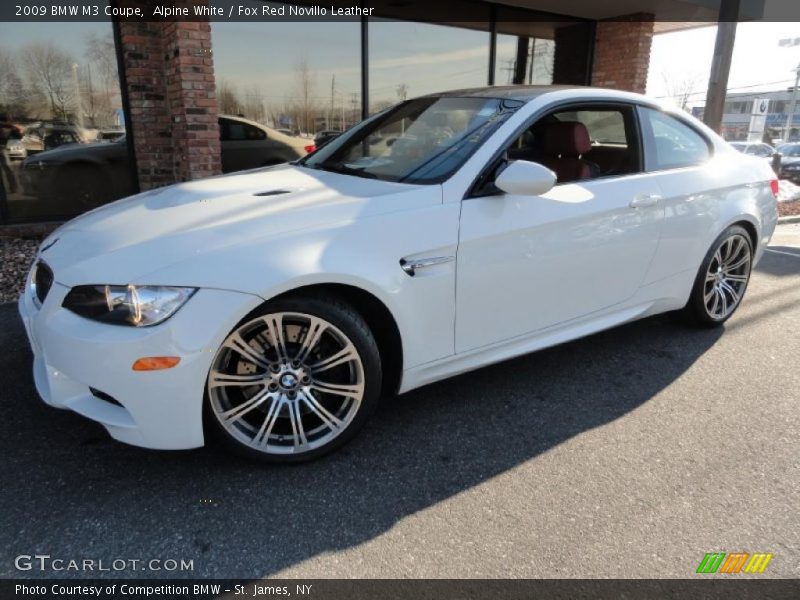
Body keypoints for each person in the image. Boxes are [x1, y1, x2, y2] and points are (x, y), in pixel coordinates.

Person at [0, 114, 21, 194]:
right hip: (4, 149)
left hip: (3, 149)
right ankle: (13, 188)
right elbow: (18, 136)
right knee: (8, 169)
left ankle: (13, 188)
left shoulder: (8, 127)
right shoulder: (10, 127)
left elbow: (17, 136)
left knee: (8, 168)